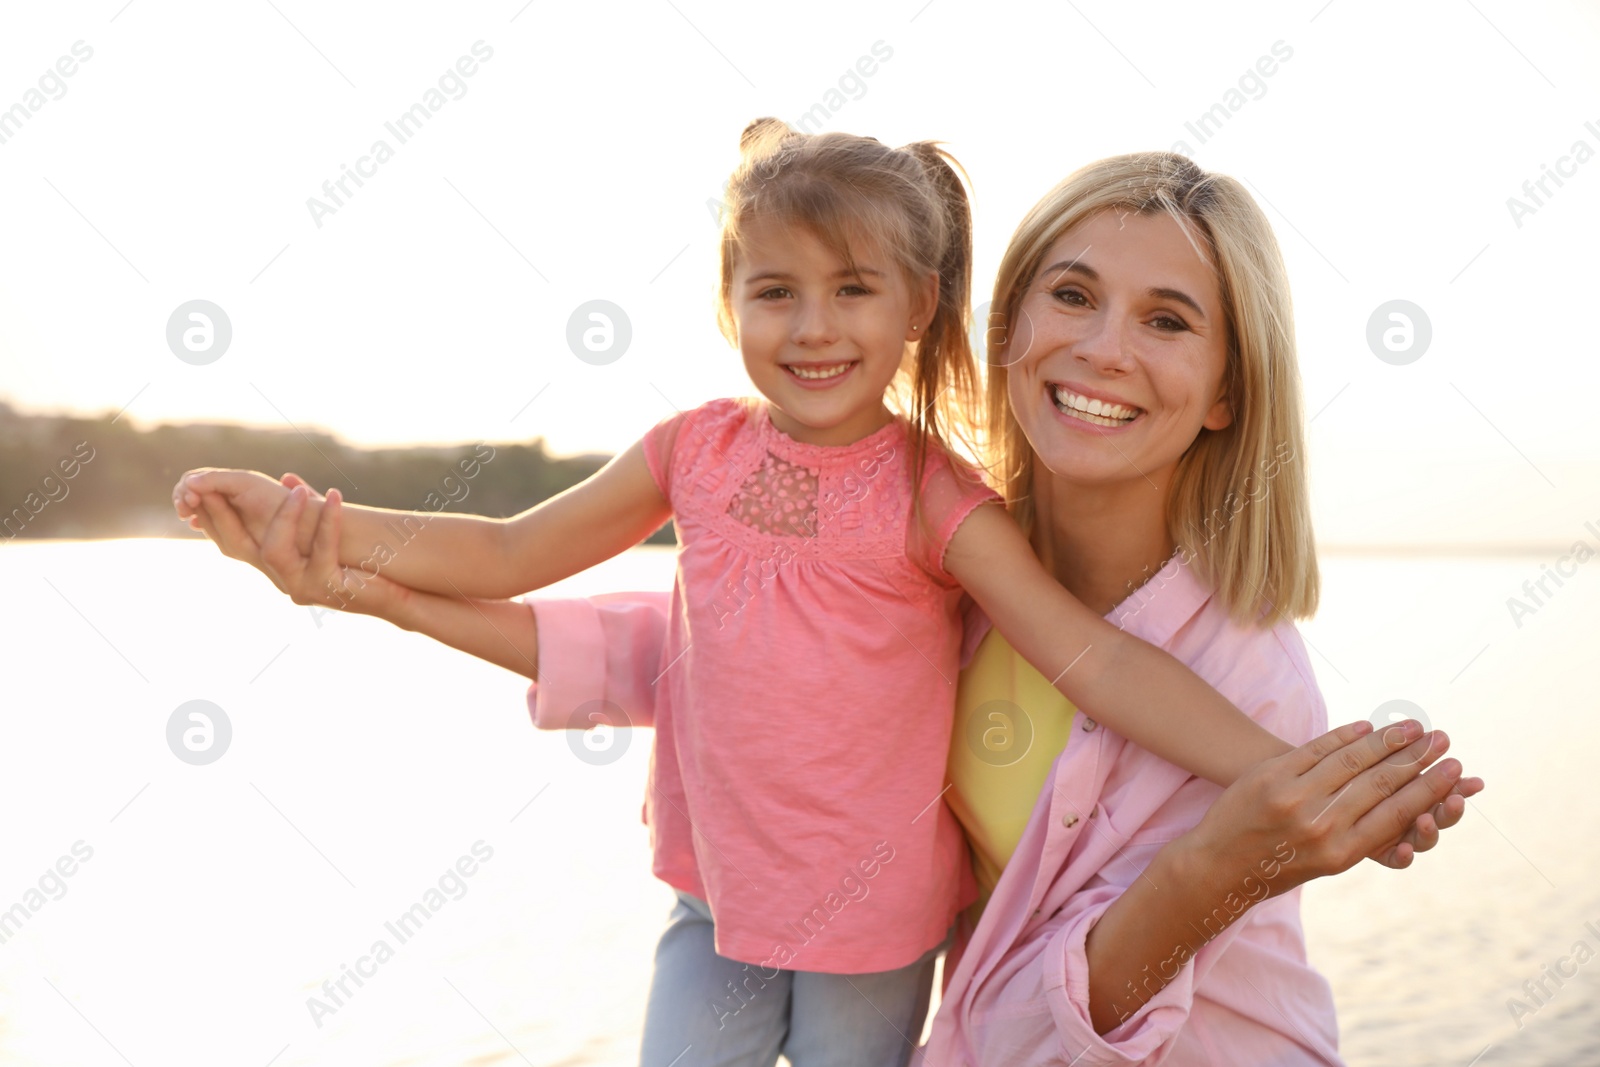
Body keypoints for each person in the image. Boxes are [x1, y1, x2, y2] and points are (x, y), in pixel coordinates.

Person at [176, 147, 1480, 1065]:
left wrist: (1298, 800)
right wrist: (348, 567)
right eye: (1071, 294)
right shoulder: (939, 559)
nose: (1102, 347)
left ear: (1226, 391)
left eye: (1169, 320)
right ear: (1008, 320)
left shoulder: (1232, 675)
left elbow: (1070, 999)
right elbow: (665, 638)